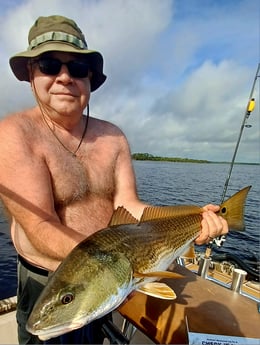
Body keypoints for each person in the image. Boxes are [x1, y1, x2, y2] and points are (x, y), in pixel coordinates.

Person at [0, 15, 228, 344]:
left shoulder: (113, 138)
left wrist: (197, 218)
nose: (64, 77)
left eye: (77, 68)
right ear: (31, 74)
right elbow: (40, 225)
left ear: (90, 79)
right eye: (49, 64)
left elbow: (128, 206)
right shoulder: (13, 135)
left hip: (117, 274)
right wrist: (113, 267)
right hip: (57, 280)